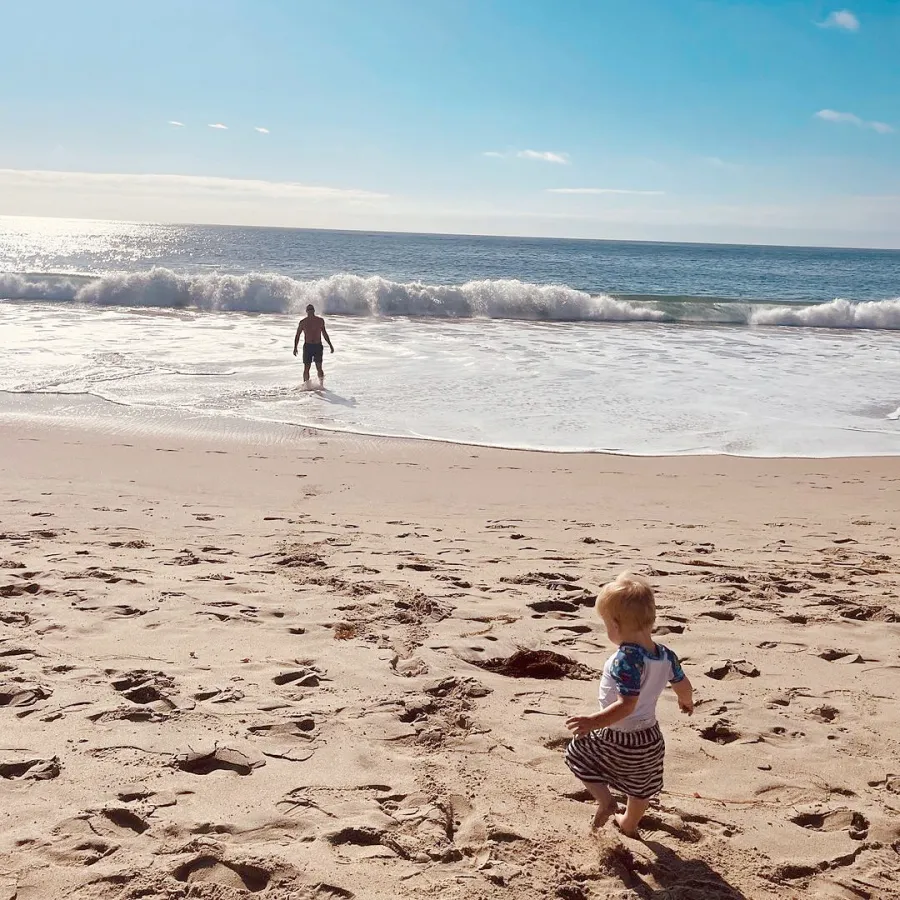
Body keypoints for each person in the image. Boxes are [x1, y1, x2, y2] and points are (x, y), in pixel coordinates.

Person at [564, 572, 694, 837]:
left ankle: (606, 801)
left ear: (614, 624)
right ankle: (629, 823)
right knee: (642, 787)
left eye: (606, 624)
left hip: (617, 734)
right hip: (649, 738)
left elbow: (627, 705)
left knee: (578, 755)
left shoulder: (625, 660)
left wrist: (593, 722)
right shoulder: (666, 655)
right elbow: (683, 684)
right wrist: (686, 701)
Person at [293, 304, 334, 386]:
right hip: (308, 346)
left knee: (319, 367)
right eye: (309, 310)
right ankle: (306, 386)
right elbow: (297, 335)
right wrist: (295, 347)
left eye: (311, 310)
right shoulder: (302, 322)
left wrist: (330, 345)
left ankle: (321, 385)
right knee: (306, 368)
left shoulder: (320, 321)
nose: (310, 311)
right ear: (307, 311)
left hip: (317, 346)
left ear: (314, 311)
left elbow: (324, 334)